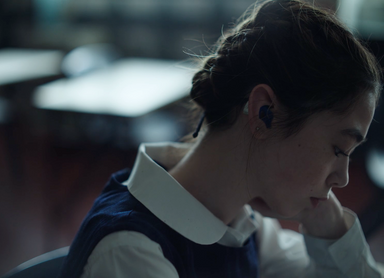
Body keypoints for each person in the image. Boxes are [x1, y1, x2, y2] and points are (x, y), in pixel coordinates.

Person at [59, 0, 383, 277]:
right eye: (339, 149)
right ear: (263, 112)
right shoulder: (132, 254)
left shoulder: (242, 224)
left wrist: (325, 220)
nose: (342, 179)